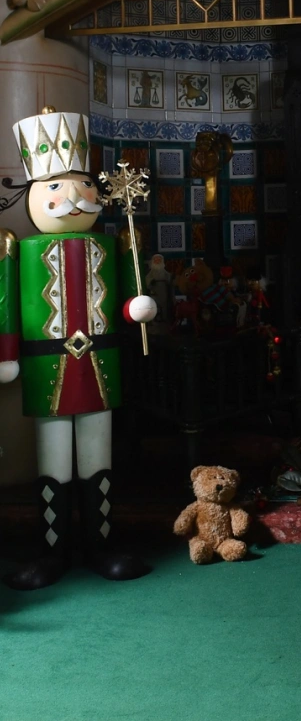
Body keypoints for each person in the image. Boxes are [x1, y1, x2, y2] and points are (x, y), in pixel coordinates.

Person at [0, 107, 157, 590]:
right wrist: (7, 354)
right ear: (29, 195)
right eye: (55, 185)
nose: (72, 195)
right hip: (47, 368)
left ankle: (100, 546)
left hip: (100, 364)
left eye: (82, 184)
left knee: (96, 457)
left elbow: (129, 294)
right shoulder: (16, 249)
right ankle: (52, 551)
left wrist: (139, 305)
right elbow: (6, 305)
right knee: (53, 462)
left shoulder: (113, 245)